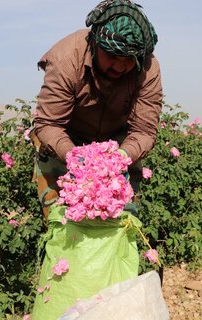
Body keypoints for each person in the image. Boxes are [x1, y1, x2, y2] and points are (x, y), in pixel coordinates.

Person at [31, 0, 163, 219]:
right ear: (95, 44)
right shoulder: (67, 58)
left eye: (129, 60)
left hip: (117, 142)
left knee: (121, 218)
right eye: (112, 56)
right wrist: (73, 155)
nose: (120, 67)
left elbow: (144, 131)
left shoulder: (147, 68)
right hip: (66, 137)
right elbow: (49, 124)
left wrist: (121, 156)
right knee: (60, 218)